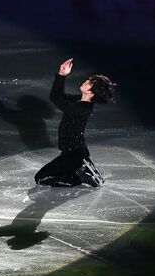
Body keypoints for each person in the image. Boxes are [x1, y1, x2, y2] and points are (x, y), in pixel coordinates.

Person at [34, 58, 116, 187]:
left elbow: (56, 98)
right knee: (49, 175)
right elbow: (58, 96)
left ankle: (80, 177)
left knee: (41, 178)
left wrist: (61, 75)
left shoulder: (80, 108)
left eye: (89, 82)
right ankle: (83, 169)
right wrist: (61, 74)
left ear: (91, 91)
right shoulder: (80, 101)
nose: (86, 80)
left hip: (73, 155)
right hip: (75, 153)